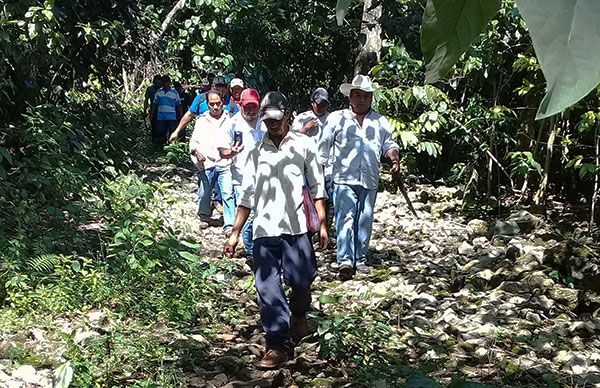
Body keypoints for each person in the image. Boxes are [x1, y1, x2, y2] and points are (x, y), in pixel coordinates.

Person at [224, 92, 328, 369]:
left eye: (277, 120)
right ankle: (277, 344)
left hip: (296, 227)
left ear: (288, 115)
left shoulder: (304, 145)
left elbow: (317, 186)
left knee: (302, 281)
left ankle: (299, 314)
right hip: (265, 229)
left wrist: (323, 225)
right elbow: (246, 195)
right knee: (267, 288)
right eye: (267, 120)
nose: (272, 125)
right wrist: (235, 232)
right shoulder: (256, 152)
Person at [319, 75, 400, 280]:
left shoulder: (380, 121)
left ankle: (360, 258)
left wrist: (394, 159)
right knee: (344, 218)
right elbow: (324, 147)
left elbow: (389, 145)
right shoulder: (337, 118)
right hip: (343, 178)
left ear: (371, 98)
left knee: (365, 218)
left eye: (365, 96)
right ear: (350, 97)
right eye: (357, 95)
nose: (361, 100)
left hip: (370, 178)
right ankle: (345, 260)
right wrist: (318, 173)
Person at [217, 88, 265, 263]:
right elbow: (222, 151)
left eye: (254, 106)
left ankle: (259, 248)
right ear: (241, 105)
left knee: (261, 214)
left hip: (264, 176)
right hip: (241, 176)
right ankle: (251, 252)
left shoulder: (266, 122)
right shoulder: (232, 124)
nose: (251, 110)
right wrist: (231, 152)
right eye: (248, 106)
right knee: (248, 214)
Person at [188, 90, 235, 232]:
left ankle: (229, 224)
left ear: (223, 103)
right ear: (207, 104)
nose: (215, 107)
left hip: (225, 163)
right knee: (204, 193)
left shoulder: (231, 119)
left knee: (227, 194)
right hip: (206, 162)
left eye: (218, 104)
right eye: (212, 104)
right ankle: (204, 216)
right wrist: (196, 151)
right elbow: (194, 141)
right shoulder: (201, 121)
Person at [291, 87, 334, 236]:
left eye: (325, 104)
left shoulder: (332, 119)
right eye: (319, 103)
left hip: (327, 165)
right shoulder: (302, 118)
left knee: (329, 200)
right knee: (309, 198)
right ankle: (310, 229)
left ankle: (326, 230)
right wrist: (305, 128)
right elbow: (290, 139)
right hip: (306, 166)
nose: (322, 107)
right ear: (312, 103)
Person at [168, 76, 238, 142]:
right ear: (212, 87)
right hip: (204, 138)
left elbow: (238, 121)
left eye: (223, 88)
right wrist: (177, 131)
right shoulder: (201, 98)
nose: (221, 91)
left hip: (223, 140)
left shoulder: (231, 103)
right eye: (218, 89)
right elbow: (189, 114)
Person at [151, 75, 182, 145]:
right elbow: (155, 104)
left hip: (171, 117)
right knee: (161, 133)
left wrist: (180, 115)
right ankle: (161, 147)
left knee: (172, 133)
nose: (165, 83)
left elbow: (178, 105)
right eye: (163, 82)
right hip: (161, 117)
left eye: (166, 82)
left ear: (169, 83)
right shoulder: (158, 92)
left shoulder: (174, 92)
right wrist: (152, 114)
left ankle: (171, 148)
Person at [144, 74, 162, 140]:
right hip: (153, 111)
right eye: (157, 82)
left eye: (159, 83)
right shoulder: (150, 89)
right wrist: (145, 110)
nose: (158, 84)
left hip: (162, 111)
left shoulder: (163, 90)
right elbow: (146, 100)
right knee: (153, 127)